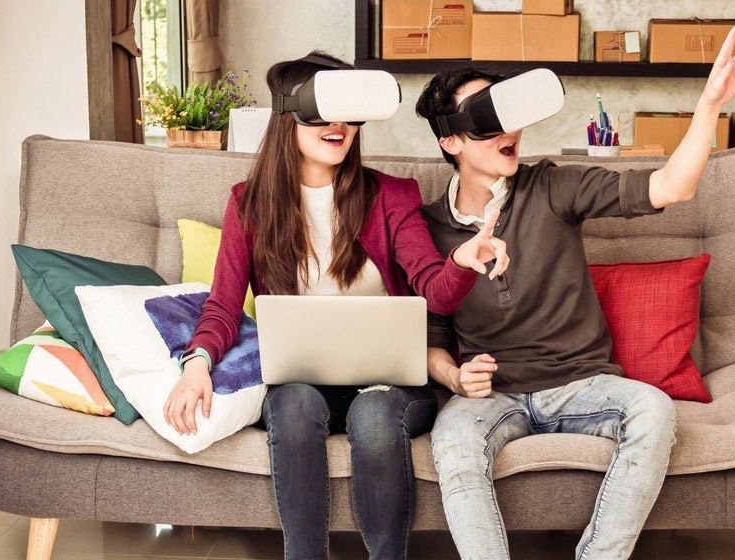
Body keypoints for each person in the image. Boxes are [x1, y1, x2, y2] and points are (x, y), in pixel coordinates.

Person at [415, 29, 735, 560]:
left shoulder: (552, 186)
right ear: (450, 142)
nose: (510, 131)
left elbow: (670, 187)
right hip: (492, 397)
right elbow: (431, 340)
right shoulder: (428, 231)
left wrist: (709, 106)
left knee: (653, 409)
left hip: (582, 386)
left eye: (510, 114)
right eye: (487, 121)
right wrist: (455, 376)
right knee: (453, 439)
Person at [164, 52, 509, 560]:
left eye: (349, 112)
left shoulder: (391, 196)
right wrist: (196, 366)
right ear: (290, 115)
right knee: (293, 402)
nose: (340, 125)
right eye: (325, 110)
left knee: (373, 414)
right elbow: (221, 305)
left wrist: (461, 258)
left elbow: (435, 290)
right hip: (303, 385)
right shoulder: (249, 203)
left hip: (391, 388)